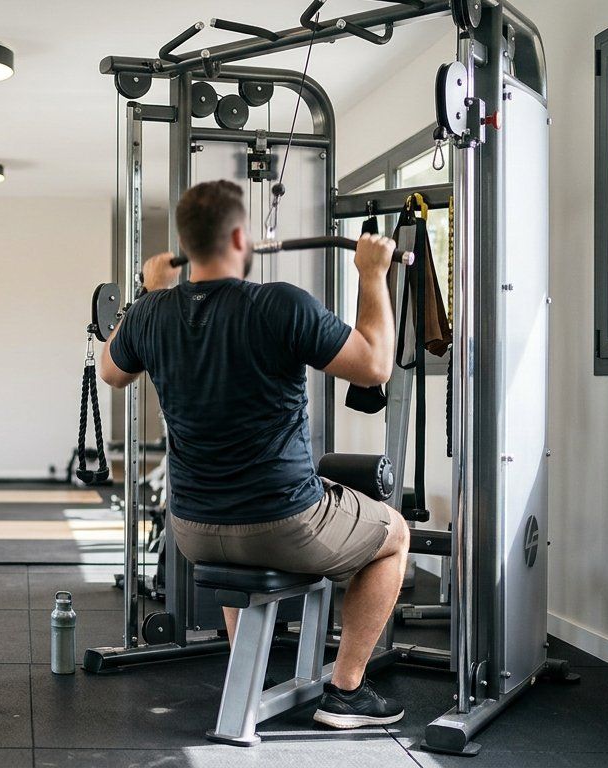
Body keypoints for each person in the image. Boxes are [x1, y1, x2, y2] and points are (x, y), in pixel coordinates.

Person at [98, 179, 410, 729]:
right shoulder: (278, 304)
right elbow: (375, 365)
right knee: (395, 536)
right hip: (284, 521)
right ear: (241, 236)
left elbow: (111, 372)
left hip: (192, 527)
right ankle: (346, 692)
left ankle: (252, 672)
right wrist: (370, 274)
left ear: (185, 245)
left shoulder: (151, 315)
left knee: (236, 530)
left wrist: (148, 293)